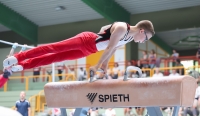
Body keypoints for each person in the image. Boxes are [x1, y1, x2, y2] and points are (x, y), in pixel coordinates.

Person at [3, 21, 155, 78]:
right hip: (86, 40)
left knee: (55, 58)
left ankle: (22, 65)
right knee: (53, 49)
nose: (143, 41)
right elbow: (108, 47)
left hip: (88, 51)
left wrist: (103, 65)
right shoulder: (122, 28)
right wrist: (96, 65)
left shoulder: (128, 39)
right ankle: (19, 57)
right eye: (146, 38)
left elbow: (112, 50)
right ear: (142, 31)